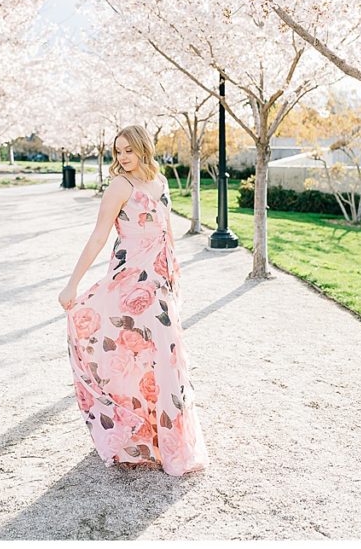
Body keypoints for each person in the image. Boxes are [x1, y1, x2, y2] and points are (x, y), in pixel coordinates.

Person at [57, 124, 208, 475]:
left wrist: (172, 276)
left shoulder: (161, 181)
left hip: (159, 282)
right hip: (130, 283)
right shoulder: (119, 186)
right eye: (118, 151)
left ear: (143, 148)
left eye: (129, 150)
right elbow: (98, 236)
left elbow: (166, 233)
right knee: (131, 353)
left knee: (164, 358)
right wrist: (72, 284)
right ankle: (131, 432)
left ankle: (165, 440)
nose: (123, 157)